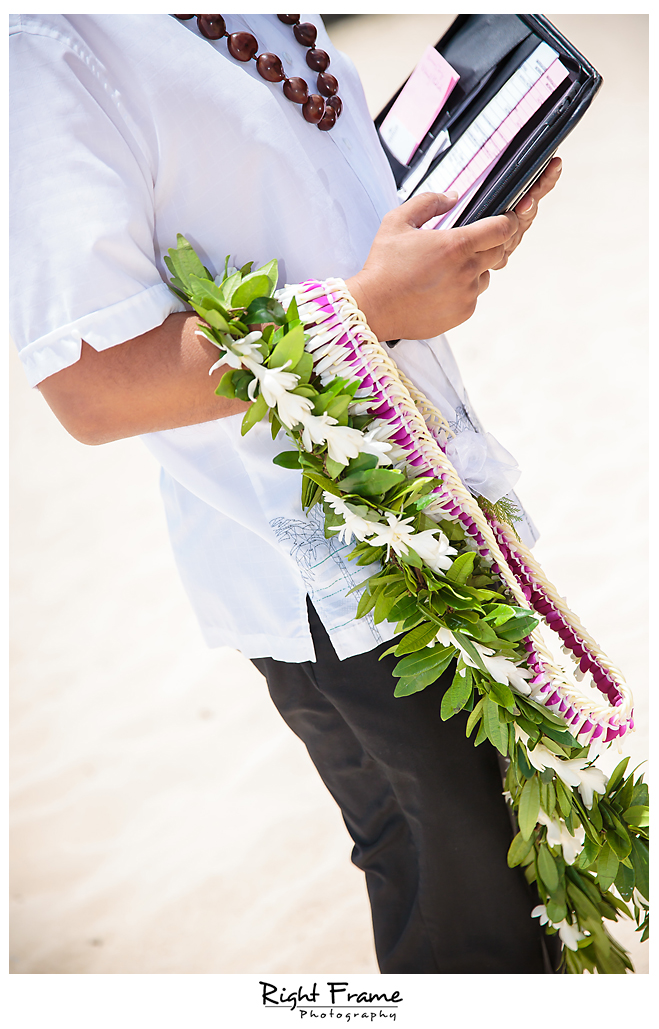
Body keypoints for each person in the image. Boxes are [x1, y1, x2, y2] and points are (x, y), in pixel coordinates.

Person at [10, 13, 564, 973]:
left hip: (441, 494)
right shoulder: (53, 46)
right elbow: (94, 386)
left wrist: (446, 233)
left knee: (520, 893)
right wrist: (373, 306)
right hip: (334, 569)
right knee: (479, 929)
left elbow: (306, 214)